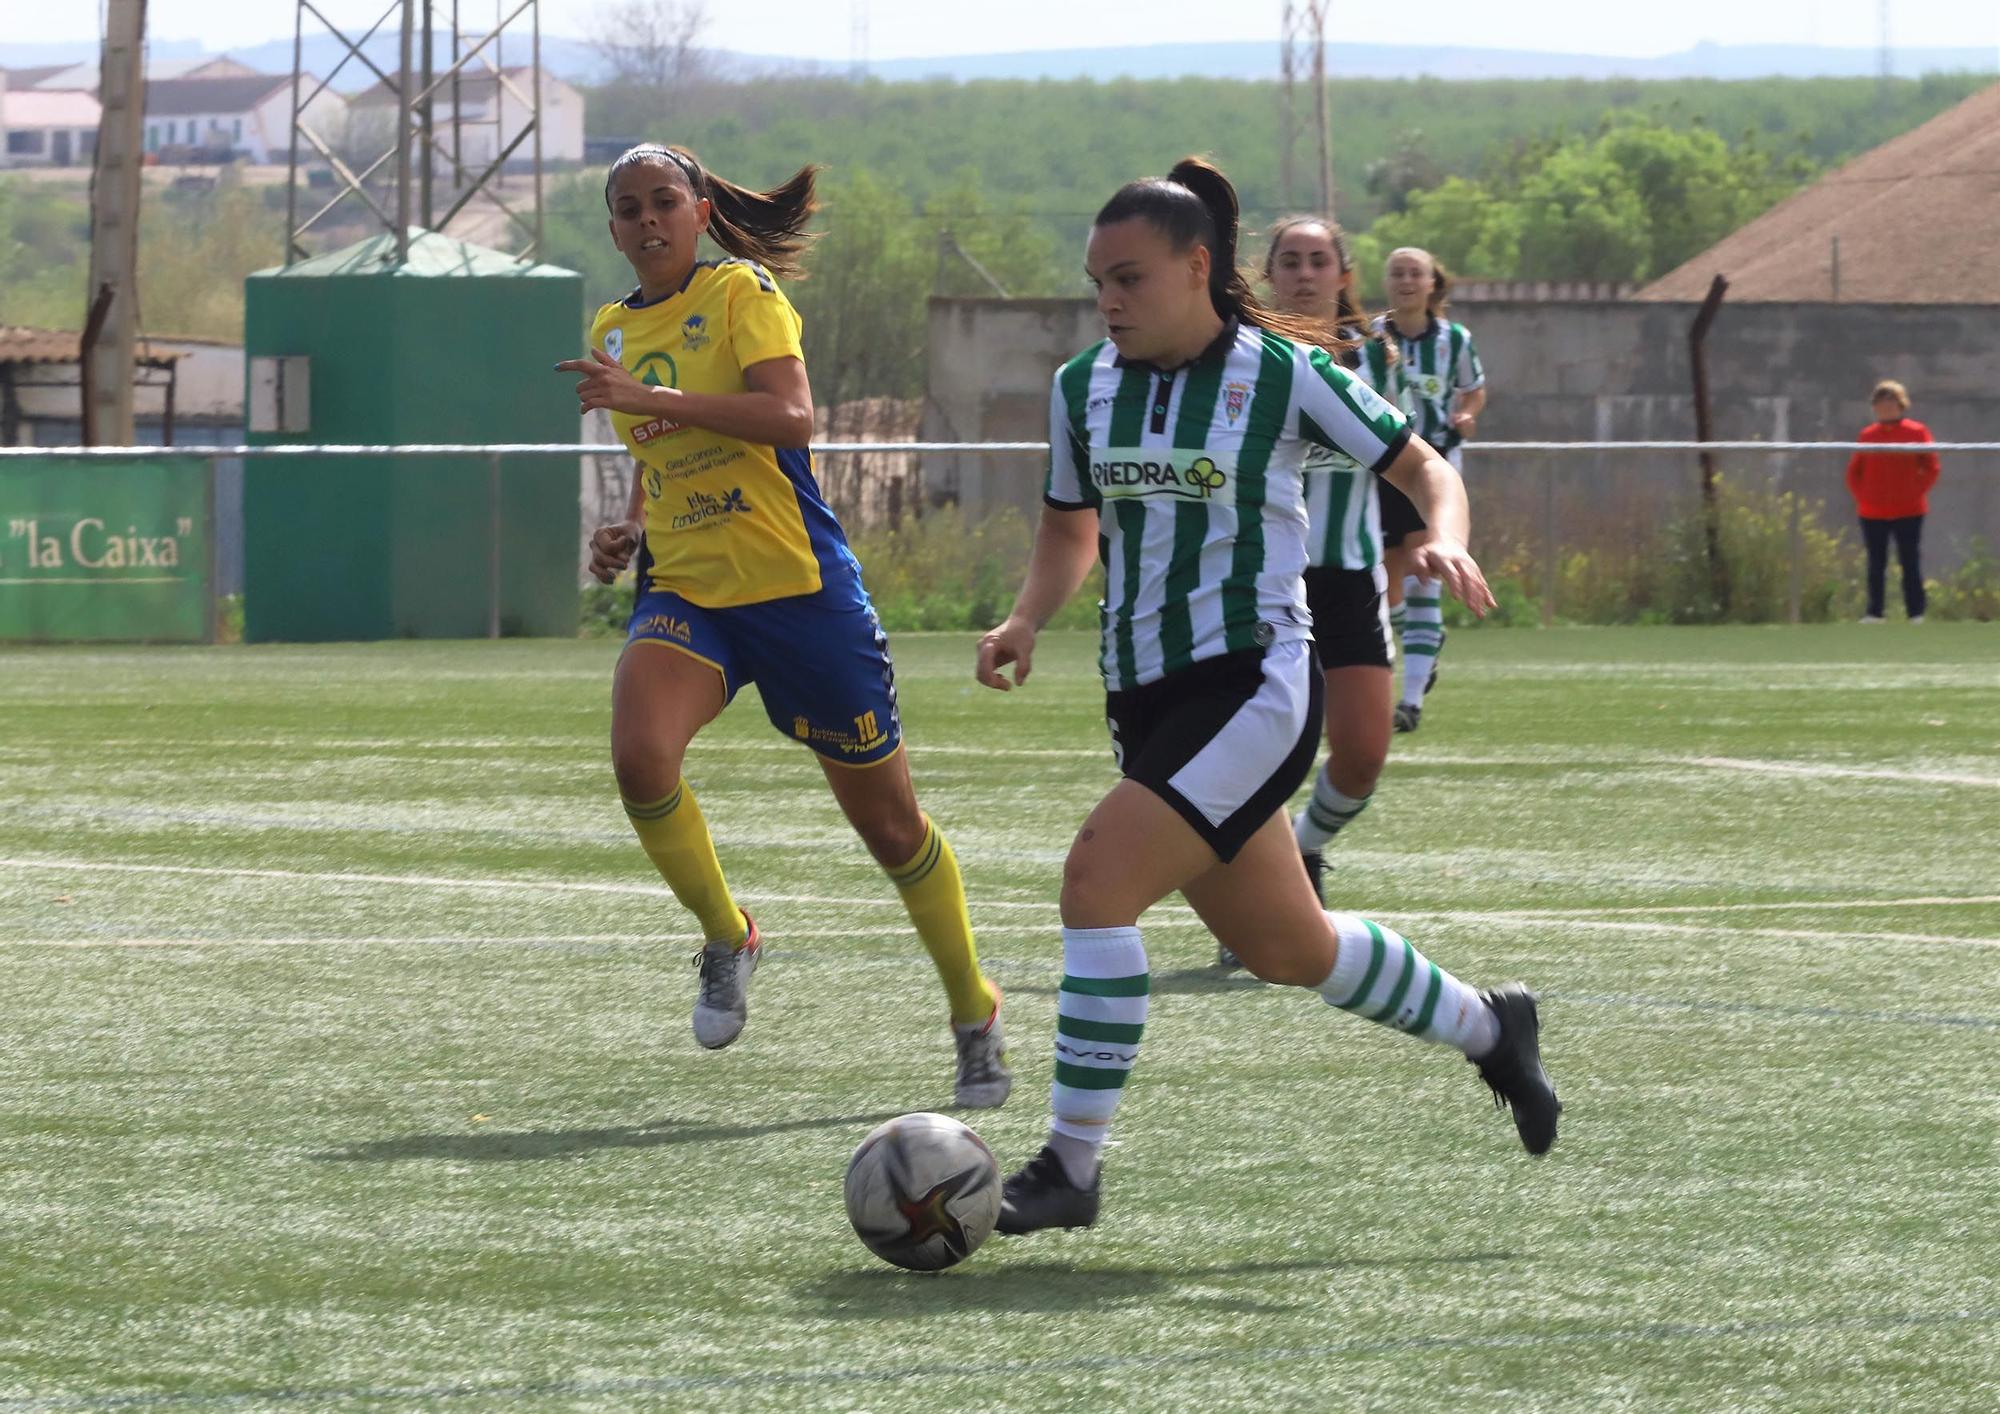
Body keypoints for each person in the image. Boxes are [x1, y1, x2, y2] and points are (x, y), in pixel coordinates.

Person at [972, 157, 1560, 1236]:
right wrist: (1023, 619)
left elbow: (1425, 466)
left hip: (1252, 682)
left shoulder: (1279, 374)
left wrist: (1442, 537)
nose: (1106, 299)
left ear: (1196, 268)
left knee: (1094, 883)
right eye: (1096, 279)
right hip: (1141, 699)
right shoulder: (1078, 388)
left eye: (1129, 278)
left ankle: (1070, 1165)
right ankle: (1490, 1028)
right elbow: (1068, 530)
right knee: (1293, 947)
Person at [557, 143, 1009, 1107]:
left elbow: (791, 416)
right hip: (687, 590)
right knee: (641, 757)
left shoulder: (743, 292)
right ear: (612, 229)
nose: (647, 220)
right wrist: (627, 529)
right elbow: (662, 448)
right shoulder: (612, 329)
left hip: (799, 595)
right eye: (628, 208)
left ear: (700, 212)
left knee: (890, 827)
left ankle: (974, 1011)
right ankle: (730, 937)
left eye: (664, 202)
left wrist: (653, 399)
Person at [1260, 214, 1396, 918]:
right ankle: (1266, 901)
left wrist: (1419, 549)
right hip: (1263, 581)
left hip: (1348, 579)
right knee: (1267, 755)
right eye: (1290, 261)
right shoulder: (1242, 358)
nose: (1305, 274)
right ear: (1268, 275)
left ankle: (1303, 850)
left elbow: (1409, 465)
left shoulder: (1377, 361)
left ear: (1344, 277)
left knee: (1363, 754)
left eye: (1319, 261)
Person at [1369, 247, 1485, 732]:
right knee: (1384, 584)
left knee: (1423, 575)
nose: (1406, 281)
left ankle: (1410, 700)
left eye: (1415, 273)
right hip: (1380, 465)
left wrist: (1467, 414)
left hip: (1430, 464)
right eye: (1397, 273)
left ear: (1432, 283)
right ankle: (1421, 643)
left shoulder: (1454, 340)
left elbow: (1474, 387)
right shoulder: (1372, 335)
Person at [1845, 379, 1939, 624]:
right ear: (1874, 407)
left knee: (1910, 561)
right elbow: (1854, 472)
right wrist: (1864, 496)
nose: (1886, 408)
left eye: (1891, 403)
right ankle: (1875, 612)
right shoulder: (1868, 435)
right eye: (1881, 403)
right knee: (1876, 563)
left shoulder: (1916, 432)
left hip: (1909, 510)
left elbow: (1931, 467)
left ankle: (1915, 613)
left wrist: (1915, 492)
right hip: (1872, 512)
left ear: (1901, 405)